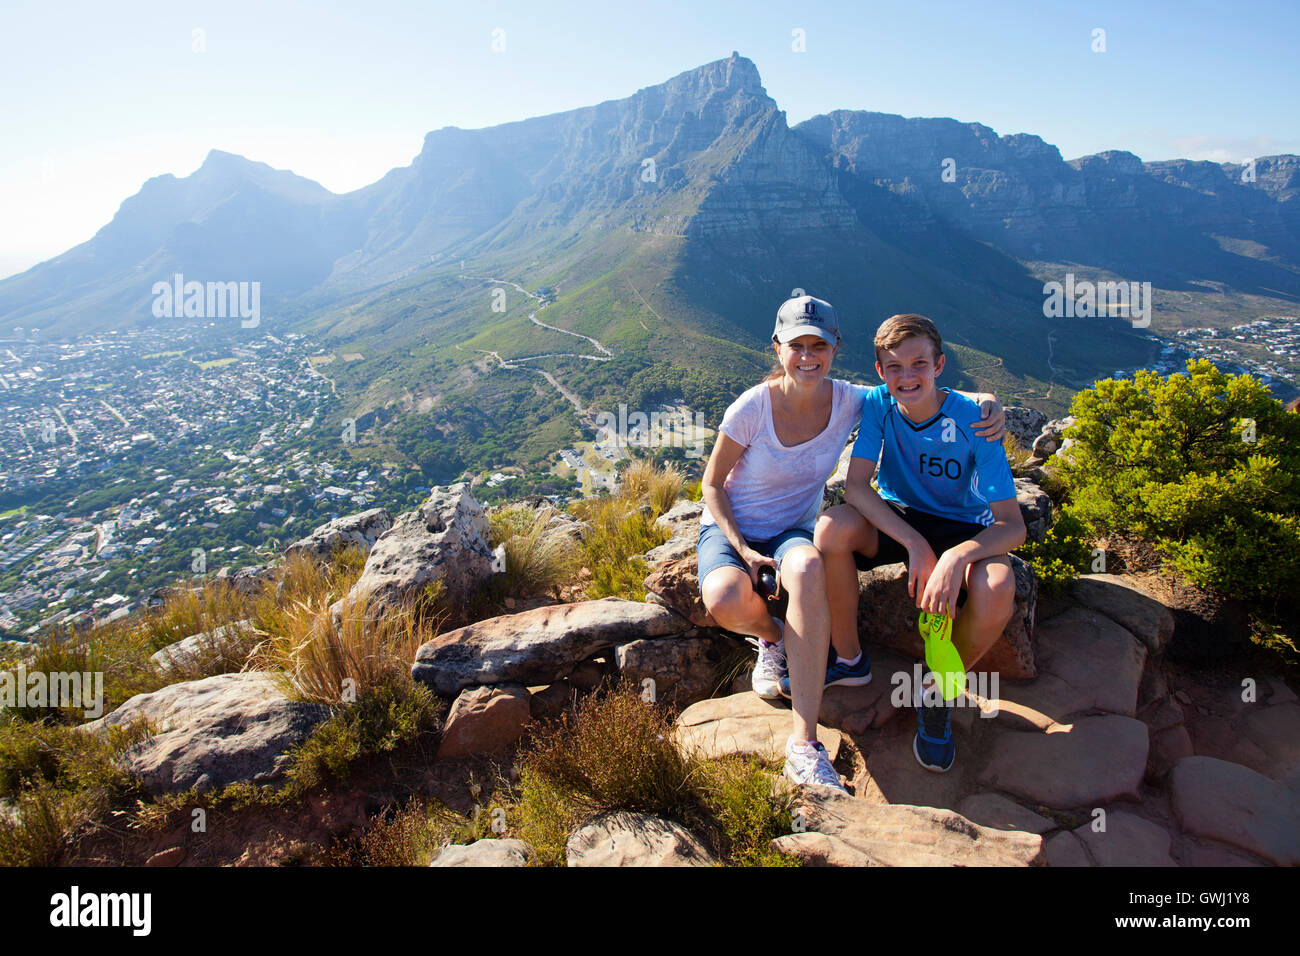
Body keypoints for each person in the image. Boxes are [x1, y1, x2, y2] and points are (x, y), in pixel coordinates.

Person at [697, 296, 1006, 791]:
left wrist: (986, 400)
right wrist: (744, 549)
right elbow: (711, 485)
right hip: (734, 527)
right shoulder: (752, 408)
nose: (807, 355)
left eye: (818, 344)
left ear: (836, 347)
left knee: (808, 566)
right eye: (796, 345)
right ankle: (777, 637)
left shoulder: (855, 399)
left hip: (794, 530)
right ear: (778, 348)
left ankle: (811, 738)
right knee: (725, 598)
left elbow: (912, 383)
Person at [815, 313, 1026, 774]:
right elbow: (855, 488)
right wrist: (914, 544)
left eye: (918, 365)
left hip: (964, 525)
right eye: (894, 367)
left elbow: (1013, 526)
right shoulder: (878, 405)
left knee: (996, 589)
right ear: (879, 372)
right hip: (901, 518)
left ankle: (938, 690)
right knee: (831, 529)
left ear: (939, 365)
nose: (906, 377)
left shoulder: (976, 422)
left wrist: (955, 557)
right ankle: (850, 660)